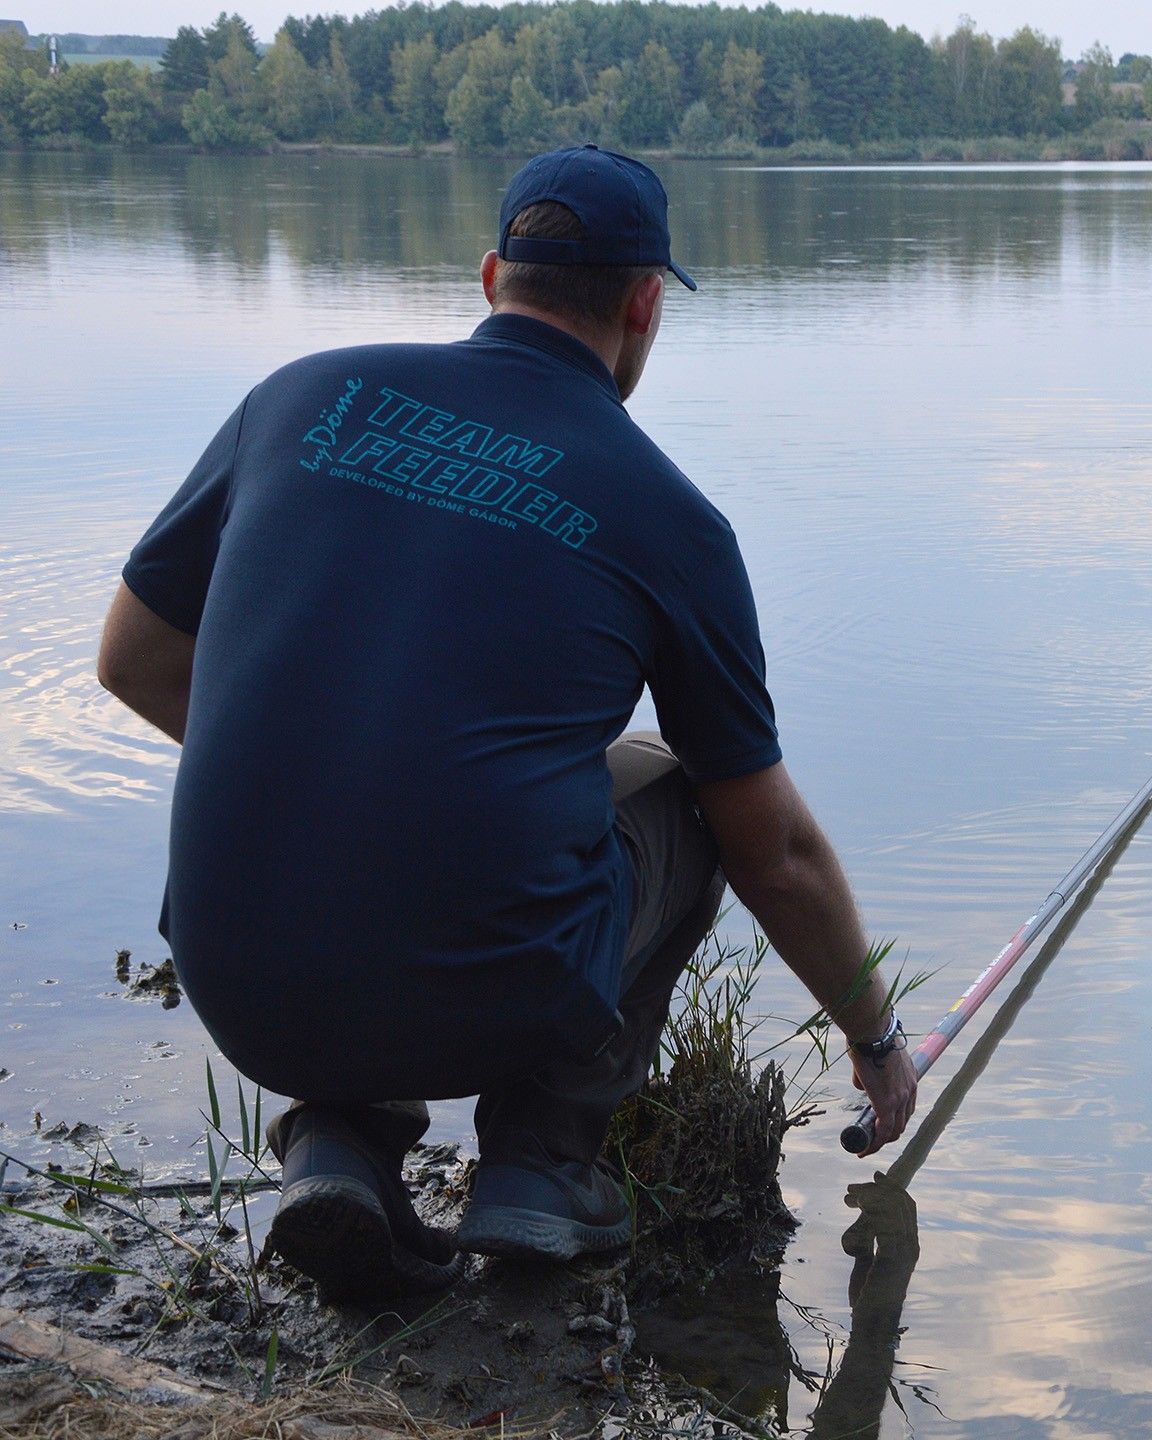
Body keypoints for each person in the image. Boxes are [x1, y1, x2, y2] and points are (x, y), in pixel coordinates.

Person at [95, 145, 918, 1302]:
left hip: (236, 985)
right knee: (692, 792)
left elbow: (130, 661)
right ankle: (540, 1162)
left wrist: (344, 772)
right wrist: (876, 1040)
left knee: (389, 793)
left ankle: (338, 1139)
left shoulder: (298, 396)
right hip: (490, 992)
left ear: (491, 277)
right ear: (644, 305)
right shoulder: (670, 517)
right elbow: (772, 853)